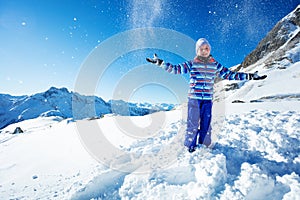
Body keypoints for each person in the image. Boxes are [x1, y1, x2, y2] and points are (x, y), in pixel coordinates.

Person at [146, 38, 267, 153]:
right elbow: (175, 69)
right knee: (192, 123)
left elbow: (230, 75)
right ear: (197, 51)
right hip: (194, 99)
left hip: (208, 100)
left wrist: (250, 76)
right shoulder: (192, 63)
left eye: (206, 48)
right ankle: (190, 146)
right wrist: (160, 63)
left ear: (209, 50)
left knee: (206, 123)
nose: (204, 51)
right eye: (201, 49)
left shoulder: (215, 65)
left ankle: (205, 145)